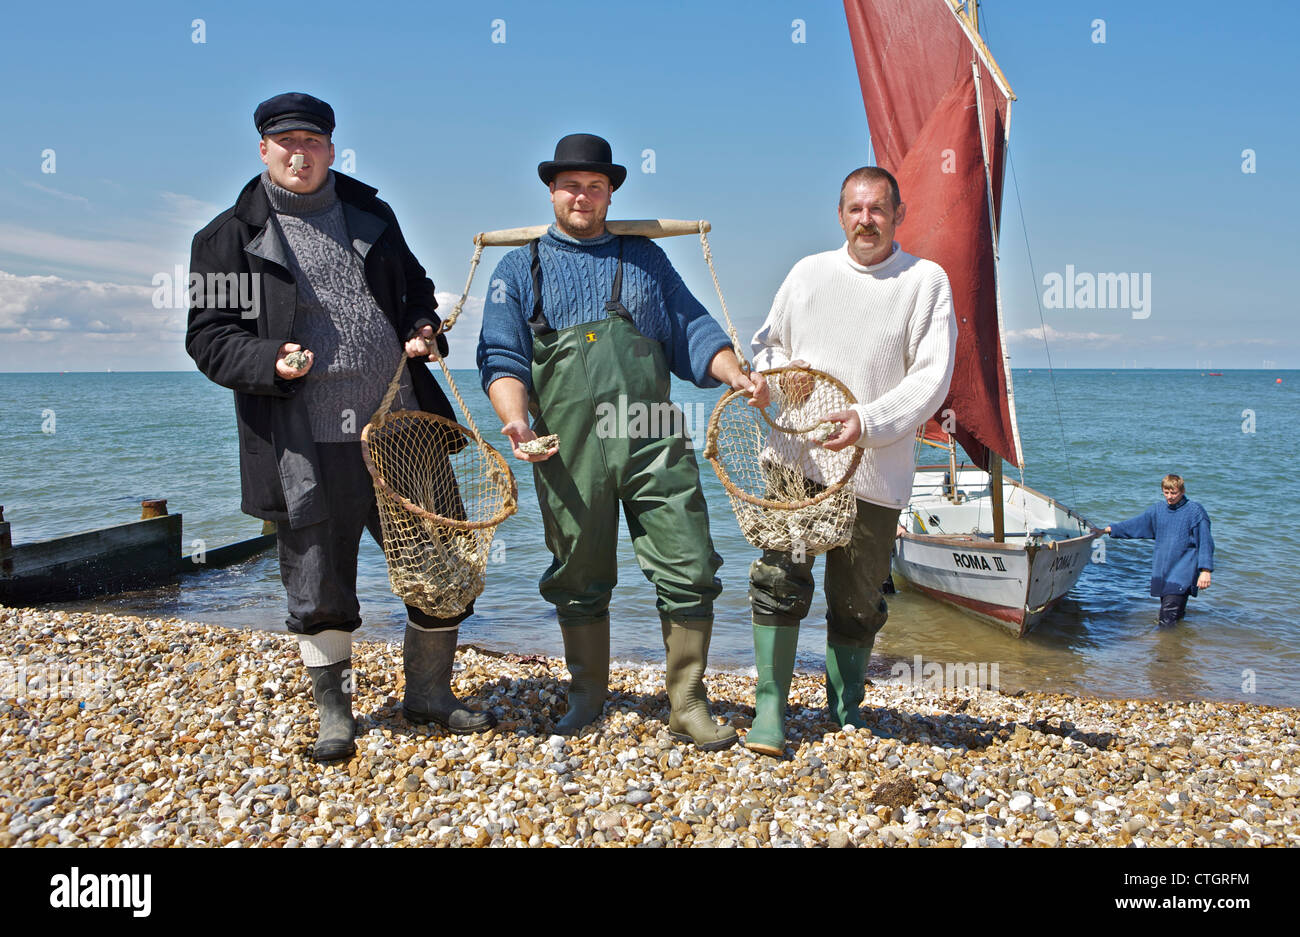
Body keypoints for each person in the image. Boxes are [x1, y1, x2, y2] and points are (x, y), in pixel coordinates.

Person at [186, 92, 493, 763]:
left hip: (404, 429)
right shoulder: (224, 239)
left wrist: (422, 326)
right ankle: (335, 715)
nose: (301, 154)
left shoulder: (370, 213)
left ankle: (430, 697)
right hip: (305, 441)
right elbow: (208, 339)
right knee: (320, 584)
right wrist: (270, 358)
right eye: (286, 142)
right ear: (263, 149)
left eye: (314, 142)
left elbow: (416, 287)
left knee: (439, 566)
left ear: (331, 146)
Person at [476, 133, 768, 749]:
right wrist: (516, 420)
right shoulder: (518, 268)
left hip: (652, 438)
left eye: (595, 186)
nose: (583, 196)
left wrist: (733, 371)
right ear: (551, 191)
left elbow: (692, 328)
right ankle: (587, 694)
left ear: (610, 193)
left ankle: (687, 702)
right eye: (571, 185)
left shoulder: (645, 260)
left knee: (689, 563)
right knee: (577, 570)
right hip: (564, 445)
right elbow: (502, 356)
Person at [744, 166, 955, 756]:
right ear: (841, 214)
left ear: (898, 215)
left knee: (859, 596)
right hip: (796, 456)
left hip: (876, 468)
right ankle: (769, 710)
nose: (866, 220)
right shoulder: (808, 273)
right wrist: (777, 379)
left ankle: (846, 708)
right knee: (780, 577)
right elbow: (768, 346)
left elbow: (932, 378)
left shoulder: (925, 281)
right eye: (856, 209)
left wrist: (868, 421)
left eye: (878, 210)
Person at [1105, 474, 1214, 626]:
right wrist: (1109, 529)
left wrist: (1205, 570)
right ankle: (1177, 646)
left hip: (1184, 571)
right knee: (1176, 616)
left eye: (1174, 493)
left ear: (1182, 491)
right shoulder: (1158, 510)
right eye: (1166, 492)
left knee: (1166, 618)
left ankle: (1163, 646)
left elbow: (1206, 542)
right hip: (1164, 570)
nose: (1170, 497)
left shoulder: (1195, 512)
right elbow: (1137, 524)